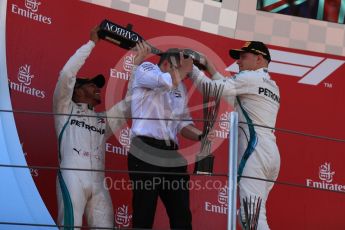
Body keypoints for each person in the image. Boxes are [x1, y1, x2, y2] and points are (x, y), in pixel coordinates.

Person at [190, 41, 280, 230]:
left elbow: (211, 90)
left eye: (243, 57)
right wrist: (210, 68)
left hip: (254, 151)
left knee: (252, 218)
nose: (238, 62)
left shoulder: (249, 77)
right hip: (270, 152)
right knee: (248, 217)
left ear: (259, 58)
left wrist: (191, 69)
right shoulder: (272, 85)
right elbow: (231, 97)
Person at [53, 26, 131, 229]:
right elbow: (67, 74)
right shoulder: (64, 108)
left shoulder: (101, 120)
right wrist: (91, 43)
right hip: (72, 176)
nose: (97, 88)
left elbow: (129, 105)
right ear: (76, 90)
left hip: (99, 183)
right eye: (91, 84)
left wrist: (137, 63)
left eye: (97, 85)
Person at [127, 45, 204, 229]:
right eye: (182, 69)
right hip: (146, 149)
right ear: (169, 64)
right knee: (144, 212)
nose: (186, 75)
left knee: (182, 216)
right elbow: (166, 81)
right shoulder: (146, 69)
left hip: (171, 154)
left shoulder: (181, 88)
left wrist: (203, 136)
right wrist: (187, 67)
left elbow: (183, 124)